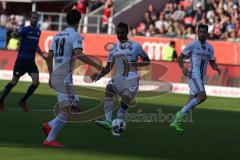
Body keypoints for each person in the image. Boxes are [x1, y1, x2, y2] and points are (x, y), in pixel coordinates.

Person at [42, 9, 102, 147]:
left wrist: (51, 75)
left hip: (58, 75)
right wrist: (96, 65)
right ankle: (50, 139)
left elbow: (49, 57)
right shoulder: (75, 35)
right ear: (79, 21)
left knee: (76, 107)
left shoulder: (56, 36)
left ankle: (49, 125)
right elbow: (79, 55)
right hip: (64, 78)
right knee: (67, 109)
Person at [91, 22, 150, 136]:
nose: (120, 35)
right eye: (118, 33)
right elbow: (109, 67)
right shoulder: (113, 48)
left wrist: (134, 65)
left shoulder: (136, 46)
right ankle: (108, 121)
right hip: (118, 78)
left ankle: (117, 125)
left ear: (127, 32)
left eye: (122, 33)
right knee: (109, 89)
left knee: (124, 102)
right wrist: (99, 75)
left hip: (131, 78)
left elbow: (147, 61)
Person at [170, 24, 221, 132]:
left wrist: (216, 68)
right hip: (193, 75)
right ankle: (179, 115)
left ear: (207, 33)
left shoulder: (210, 48)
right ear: (197, 33)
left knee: (190, 103)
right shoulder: (192, 45)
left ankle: (175, 123)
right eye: (200, 32)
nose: (202, 34)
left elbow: (212, 62)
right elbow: (180, 58)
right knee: (202, 96)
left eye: (204, 32)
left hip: (202, 78)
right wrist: (183, 68)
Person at [0, 12, 45, 112]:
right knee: (14, 82)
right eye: (33, 18)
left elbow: (36, 45)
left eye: (36, 18)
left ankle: (23, 101)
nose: (34, 19)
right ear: (30, 18)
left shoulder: (38, 31)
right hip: (21, 60)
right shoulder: (25, 29)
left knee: (36, 82)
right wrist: (14, 34)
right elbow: (17, 33)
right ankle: (0, 101)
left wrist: (42, 55)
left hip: (30, 62)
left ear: (38, 19)